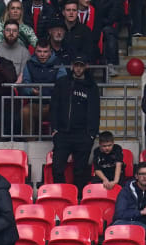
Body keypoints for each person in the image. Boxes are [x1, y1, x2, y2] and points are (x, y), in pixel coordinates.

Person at [49, 55, 99, 191]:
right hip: (63, 134)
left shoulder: (92, 86)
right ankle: (63, 195)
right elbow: (54, 107)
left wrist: (91, 135)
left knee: (80, 171)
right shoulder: (62, 83)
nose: (78, 68)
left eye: (81, 65)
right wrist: (54, 129)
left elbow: (95, 111)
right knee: (57, 168)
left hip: (83, 135)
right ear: (72, 66)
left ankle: (77, 199)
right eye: (76, 65)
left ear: (86, 67)